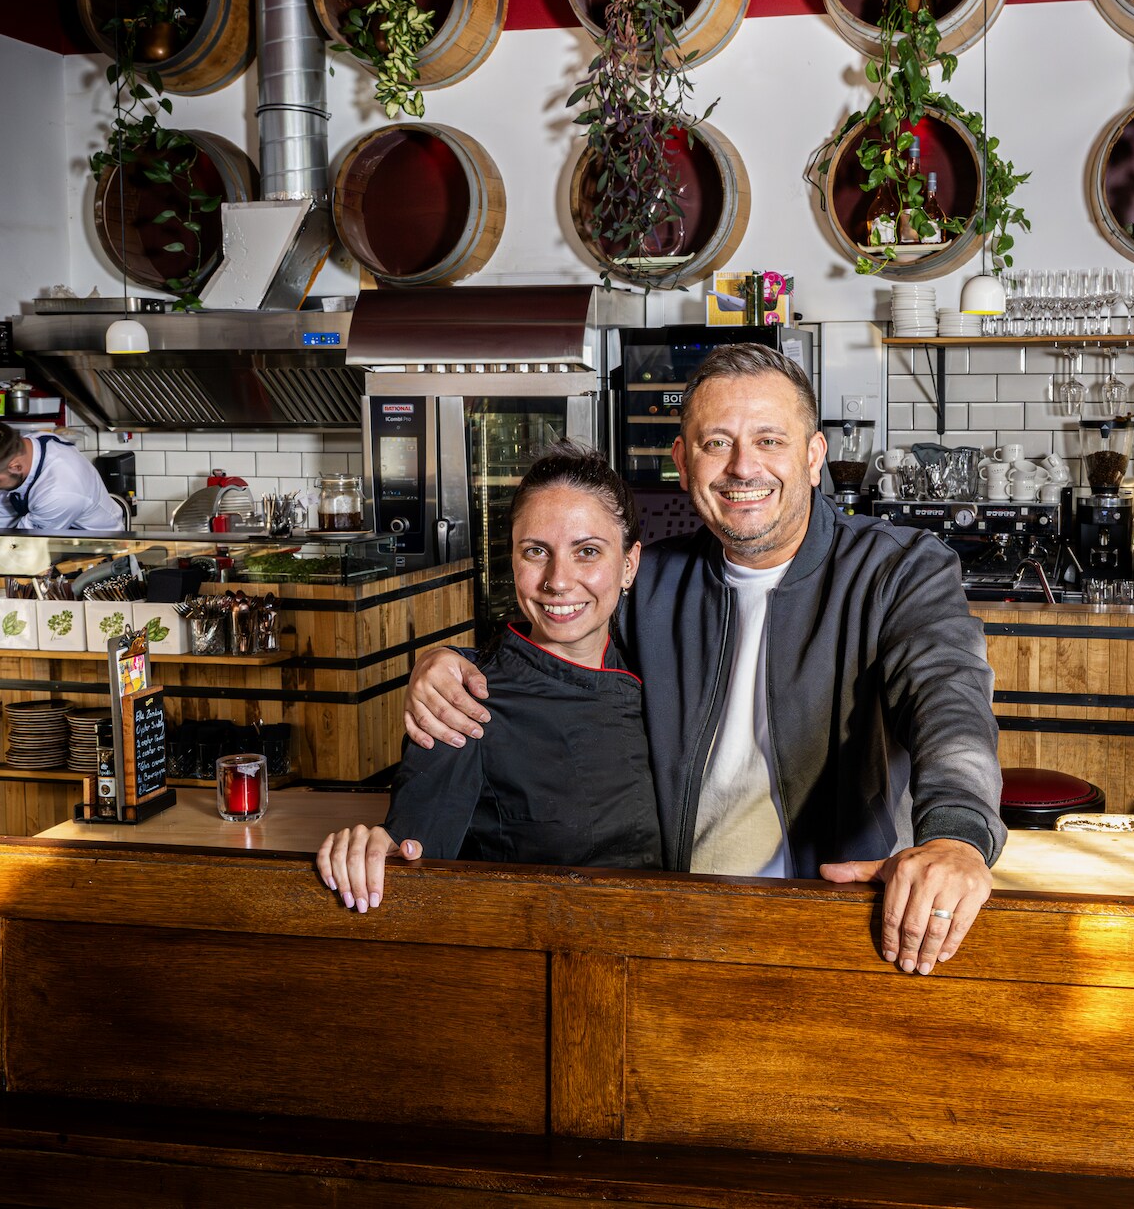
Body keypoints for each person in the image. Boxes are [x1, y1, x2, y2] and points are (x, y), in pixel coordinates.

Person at [405, 344, 1004, 976]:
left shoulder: (898, 570)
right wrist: (453, 662)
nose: (743, 467)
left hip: (844, 918)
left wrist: (956, 836)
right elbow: (560, 644)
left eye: (770, 439)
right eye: (716, 443)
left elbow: (948, 699)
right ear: (683, 465)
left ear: (813, 457)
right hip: (679, 921)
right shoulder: (653, 581)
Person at [317, 441, 660, 912]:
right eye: (536, 551)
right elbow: (410, 862)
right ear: (513, 561)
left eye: (587, 551)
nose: (558, 581)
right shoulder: (463, 702)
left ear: (628, 565)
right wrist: (370, 852)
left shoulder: (662, 671)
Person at [0, 421, 125, 533]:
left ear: (15, 467)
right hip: (53, 549)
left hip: (96, 559)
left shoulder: (61, 491)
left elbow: (24, 546)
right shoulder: (26, 447)